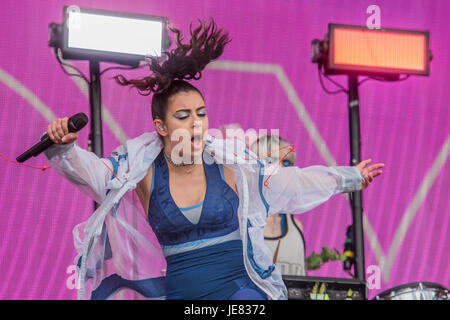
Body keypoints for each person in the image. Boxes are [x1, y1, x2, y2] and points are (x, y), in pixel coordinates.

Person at [43, 19, 384, 300]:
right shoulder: (139, 170)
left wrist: (348, 178)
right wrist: (63, 148)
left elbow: (291, 183)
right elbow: (94, 174)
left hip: (242, 294)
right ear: (161, 126)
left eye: (202, 113)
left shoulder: (232, 163)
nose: (196, 123)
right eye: (184, 115)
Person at [250, 134, 307, 276]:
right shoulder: (242, 222)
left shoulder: (297, 226)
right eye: (270, 161)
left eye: (286, 163)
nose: (280, 168)